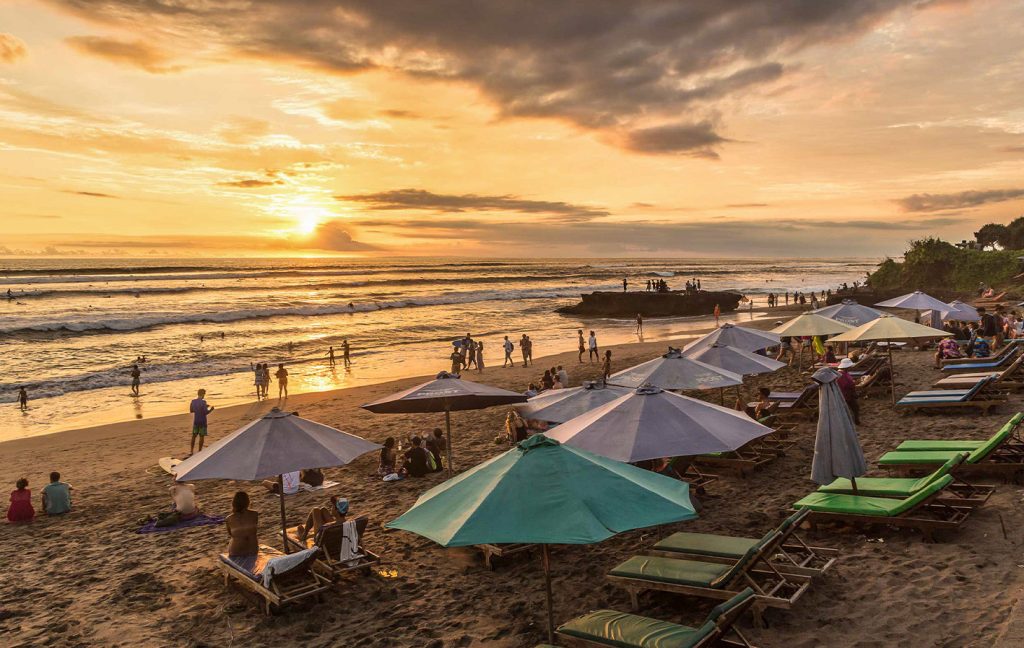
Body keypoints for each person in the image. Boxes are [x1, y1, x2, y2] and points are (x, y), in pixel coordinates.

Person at [225, 491, 259, 559]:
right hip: (253, 550)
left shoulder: (229, 518)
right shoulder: (255, 514)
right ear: (248, 502)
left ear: (234, 503)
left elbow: (231, 534)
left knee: (234, 538)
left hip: (236, 552)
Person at [189, 389, 215, 455]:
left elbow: (191, 410)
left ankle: (191, 451)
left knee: (194, 436)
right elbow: (205, 412)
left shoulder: (193, 401)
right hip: (202, 421)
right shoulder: (203, 402)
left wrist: (198, 409)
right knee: (201, 436)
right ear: (203, 394)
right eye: (204, 394)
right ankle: (199, 451)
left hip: (196, 421)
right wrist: (211, 409)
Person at [836, 359, 861, 425]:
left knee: (855, 407)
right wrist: (853, 383)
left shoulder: (845, 373)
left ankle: (855, 421)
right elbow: (845, 385)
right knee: (851, 408)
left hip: (848, 393)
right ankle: (853, 421)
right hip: (845, 394)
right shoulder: (841, 375)